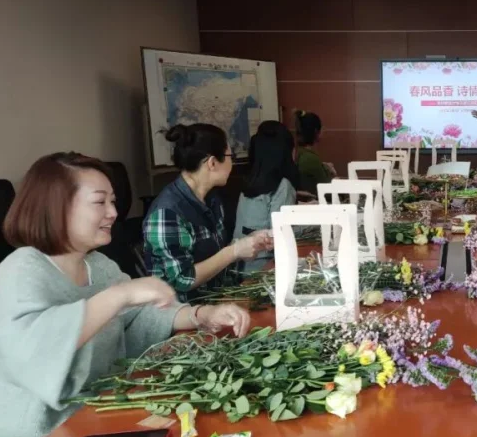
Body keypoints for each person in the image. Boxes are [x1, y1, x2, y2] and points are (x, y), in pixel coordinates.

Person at [0, 153, 251, 437]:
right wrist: (119, 296)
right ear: (57, 207)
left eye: (113, 201)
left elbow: (139, 316)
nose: (113, 212)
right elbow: (35, 347)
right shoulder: (19, 271)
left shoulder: (99, 265)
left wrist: (200, 315)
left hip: (91, 414)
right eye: (99, 202)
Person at [143, 123, 272, 302]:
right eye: (230, 157)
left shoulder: (212, 199)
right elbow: (181, 279)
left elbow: (215, 255)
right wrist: (233, 252)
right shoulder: (167, 212)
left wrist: (245, 244)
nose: (232, 163)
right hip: (185, 312)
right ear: (212, 163)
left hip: (218, 301)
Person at [234, 121, 299, 273]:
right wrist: (314, 219)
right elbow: (282, 232)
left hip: (241, 266)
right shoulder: (283, 185)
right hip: (264, 266)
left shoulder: (250, 181)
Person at [294, 110, 336, 196]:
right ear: (316, 131)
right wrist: (332, 175)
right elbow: (328, 191)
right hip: (316, 200)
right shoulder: (310, 158)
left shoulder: (299, 152)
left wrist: (324, 166)